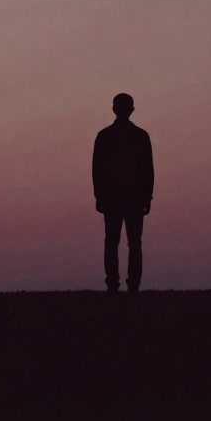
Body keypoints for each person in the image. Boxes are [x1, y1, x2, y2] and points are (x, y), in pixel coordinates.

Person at [92, 93, 154, 293]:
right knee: (133, 242)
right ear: (132, 110)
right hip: (133, 196)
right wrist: (147, 196)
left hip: (113, 196)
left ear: (114, 109)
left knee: (113, 242)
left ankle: (113, 284)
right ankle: (132, 284)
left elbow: (97, 169)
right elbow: (148, 169)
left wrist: (99, 195)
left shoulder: (104, 136)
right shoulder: (140, 136)